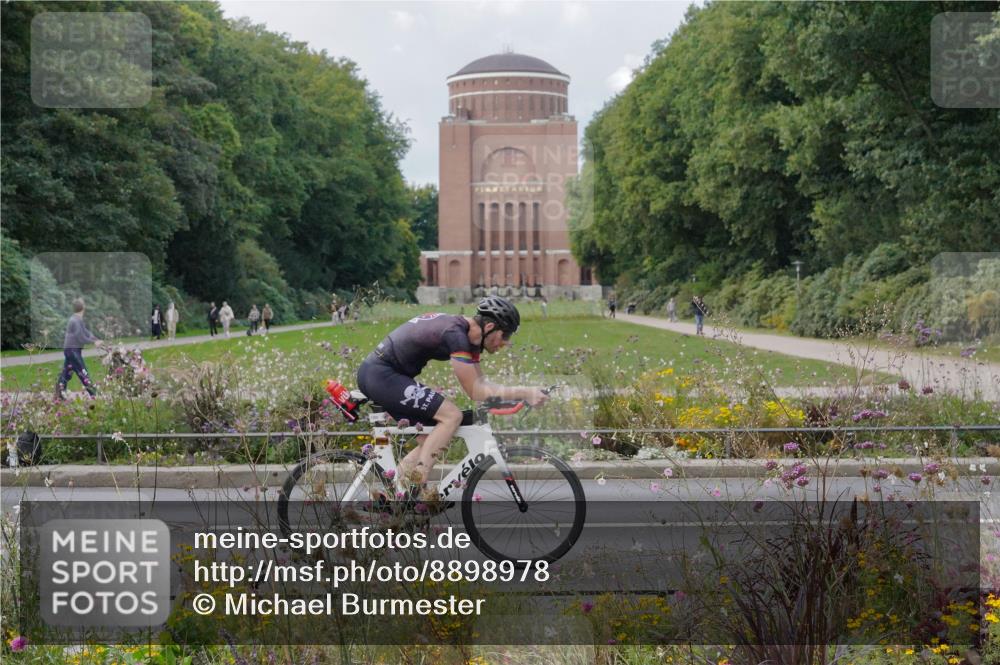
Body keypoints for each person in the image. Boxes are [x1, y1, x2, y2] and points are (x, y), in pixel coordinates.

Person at [356, 296, 548, 499]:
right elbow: (475, 391)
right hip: (380, 374)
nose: (506, 343)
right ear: (490, 327)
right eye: (505, 335)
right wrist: (525, 392)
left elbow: (482, 386)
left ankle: (397, 497)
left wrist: (518, 396)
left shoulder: (471, 340)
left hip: (386, 375)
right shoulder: (456, 335)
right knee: (451, 416)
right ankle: (420, 487)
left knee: (431, 438)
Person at [55, 298, 102, 400]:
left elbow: (85, 332)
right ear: (83, 307)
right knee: (82, 371)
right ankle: (94, 394)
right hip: (73, 351)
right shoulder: (75, 321)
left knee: (66, 373)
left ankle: (59, 394)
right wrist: (93, 342)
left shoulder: (76, 319)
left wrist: (95, 339)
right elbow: (81, 337)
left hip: (70, 350)